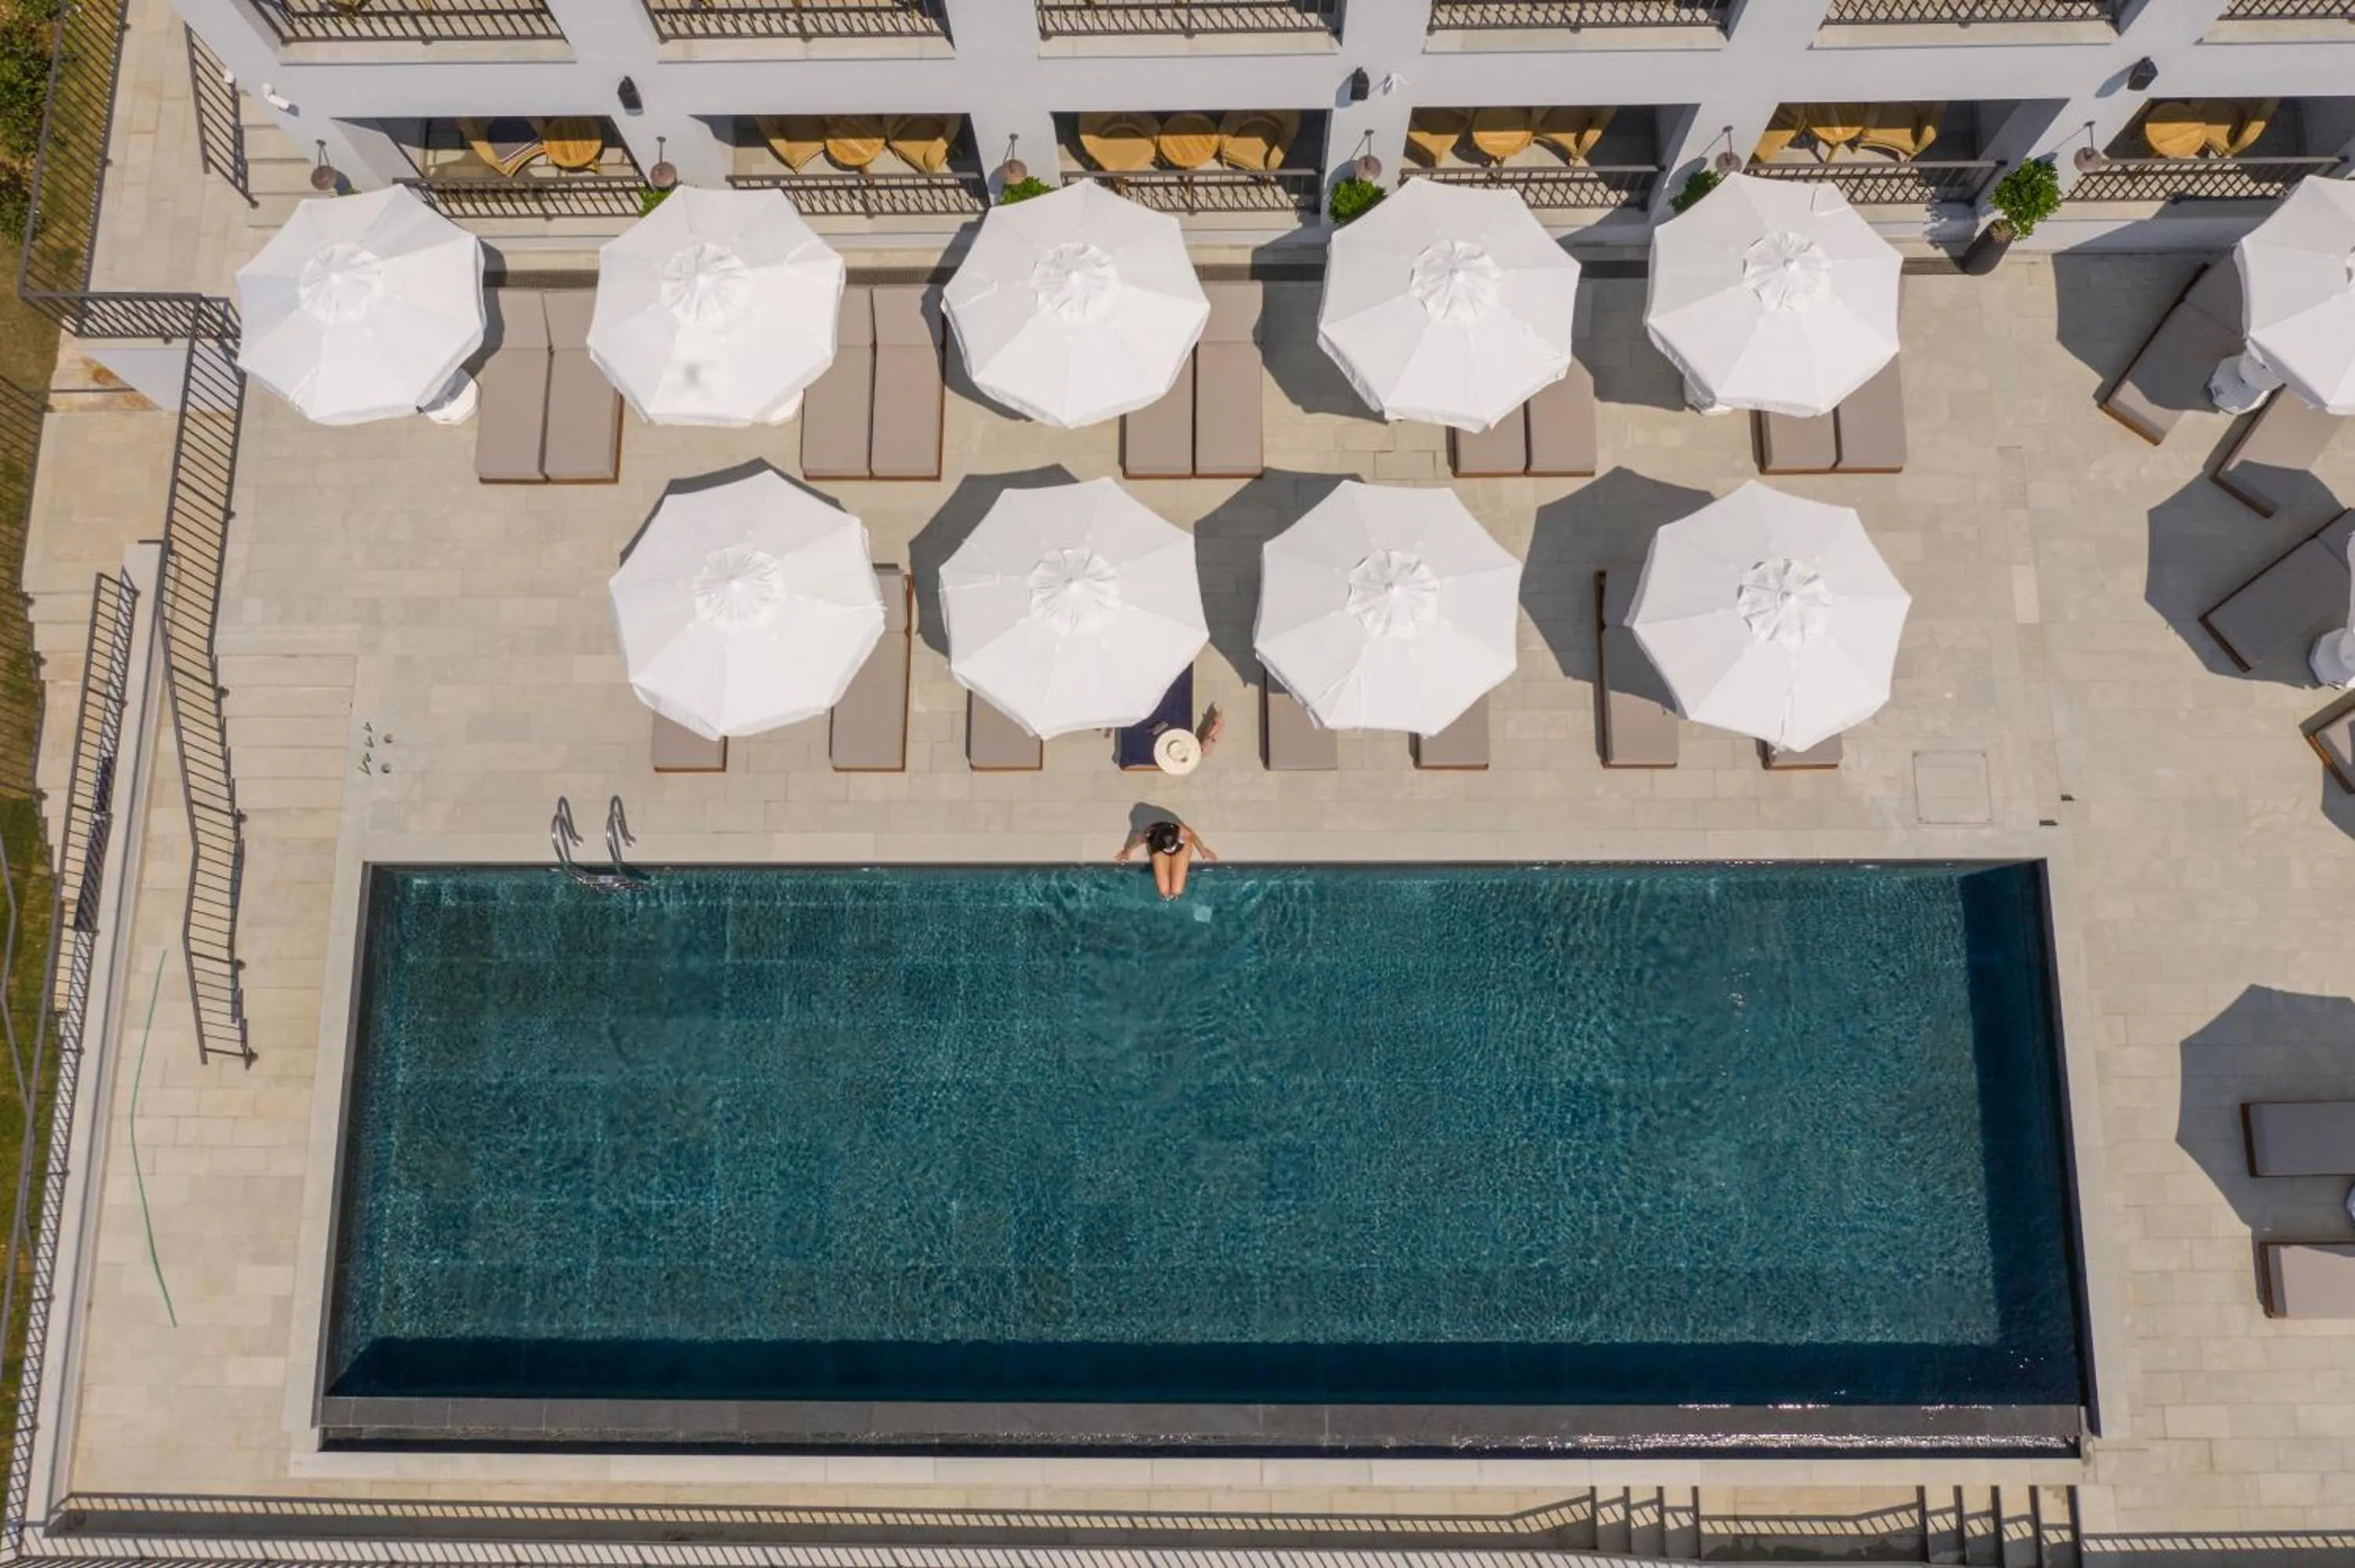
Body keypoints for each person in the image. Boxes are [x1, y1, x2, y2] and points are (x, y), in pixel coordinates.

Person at [1115, 815, 1218, 901]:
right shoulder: (1151, 833)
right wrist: (1127, 851)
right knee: (1164, 891)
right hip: (1160, 851)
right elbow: (1138, 841)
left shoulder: (1182, 832)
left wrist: (1203, 850)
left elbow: (1193, 837)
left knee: (1177, 890)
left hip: (1181, 850)